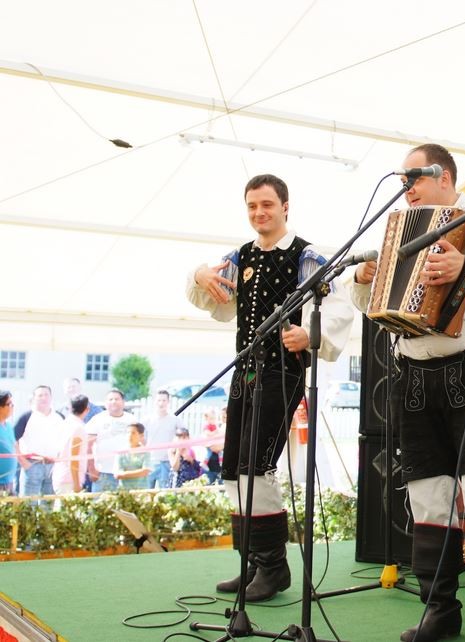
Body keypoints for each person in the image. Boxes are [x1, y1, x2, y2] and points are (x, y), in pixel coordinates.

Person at [349, 143, 465, 642]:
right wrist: (363, 277)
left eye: (415, 177)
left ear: (445, 178)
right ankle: (439, 608)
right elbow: (367, 300)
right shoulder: (398, 229)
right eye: (403, 180)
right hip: (412, 371)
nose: (406, 188)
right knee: (427, 492)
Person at [187, 173, 353, 602]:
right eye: (252, 206)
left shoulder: (308, 257)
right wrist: (200, 274)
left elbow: (339, 309)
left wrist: (310, 335)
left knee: (256, 465)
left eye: (266, 204)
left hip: (283, 373)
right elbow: (210, 296)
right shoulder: (240, 256)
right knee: (233, 467)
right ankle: (254, 562)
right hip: (244, 372)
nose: (259, 213)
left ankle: (274, 565)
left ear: (285, 207)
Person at [14, 385, 69, 497]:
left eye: (46, 395)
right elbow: (13, 440)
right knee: (28, 503)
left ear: (51, 397)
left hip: (53, 466)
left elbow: (66, 440)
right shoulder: (26, 417)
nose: (44, 398)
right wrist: (23, 462)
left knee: (49, 502)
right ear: (34, 398)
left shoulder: (60, 417)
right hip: (32, 465)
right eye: (40, 395)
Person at [85, 389, 135, 492]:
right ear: (105, 403)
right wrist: (91, 469)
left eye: (117, 399)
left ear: (123, 402)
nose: (113, 401)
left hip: (126, 472)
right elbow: (88, 446)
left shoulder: (132, 420)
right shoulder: (97, 419)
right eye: (110, 399)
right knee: (100, 501)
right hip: (103, 472)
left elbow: (139, 444)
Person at [144, 389, 185, 489]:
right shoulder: (147, 420)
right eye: (159, 400)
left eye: (164, 400)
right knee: (146, 492)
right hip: (150, 461)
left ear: (168, 402)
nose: (161, 403)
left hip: (167, 462)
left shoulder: (175, 420)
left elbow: (184, 436)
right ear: (155, 401)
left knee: (165, 492)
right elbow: (142, 439)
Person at [53, 395, 91, 494]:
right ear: (87, 409)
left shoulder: (64, 424)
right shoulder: (78, 428)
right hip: (70, 479)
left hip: (59, 474)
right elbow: (74, 458)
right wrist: (77, 483)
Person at [116, 423, 151, 490]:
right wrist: (138, 472)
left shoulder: (145, 452)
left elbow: (145, 471)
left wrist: (124, 474)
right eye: (128, 433)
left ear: (141, 435)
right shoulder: (121, 452)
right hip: (124, 492)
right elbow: (117, 474)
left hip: (141, 491)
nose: (129, 435)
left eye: (133, 433)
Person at [0, 391, 16, 495]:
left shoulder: (9, 426)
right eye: (9, 404)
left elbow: (13, 447)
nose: (12, 407)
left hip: (9, 482)